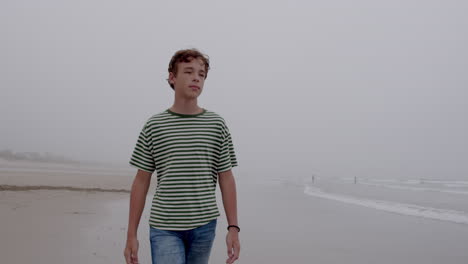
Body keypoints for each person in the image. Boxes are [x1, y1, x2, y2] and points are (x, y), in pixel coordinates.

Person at [124, 48, 240, 264]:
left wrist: (233, 228)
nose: (196, 77)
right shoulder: (154, 125)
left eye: (201, 74)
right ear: (172, 77)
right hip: (164, 226)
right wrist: (131, 234)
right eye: (188, 71)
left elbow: (226, 177)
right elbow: (141, 180)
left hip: (204, 226)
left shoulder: (216, 124)